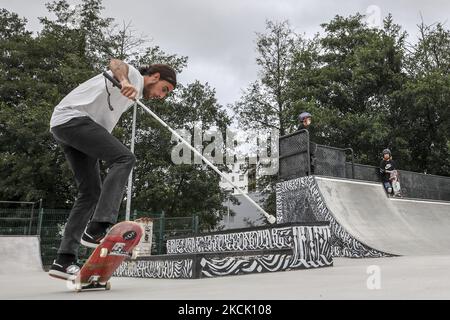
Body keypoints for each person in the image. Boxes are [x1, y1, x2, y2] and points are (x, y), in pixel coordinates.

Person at [48, 59, 177, 280]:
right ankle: (98, 227)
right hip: (74, 120)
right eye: (164, 89)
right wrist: (125, 80)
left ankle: (64, 260)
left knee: (90, 193)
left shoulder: (133, 96)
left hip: (67, 126)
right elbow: (117, 63)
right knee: (125, 158)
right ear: (155, 77)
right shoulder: (135, 76)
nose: (161, 96)